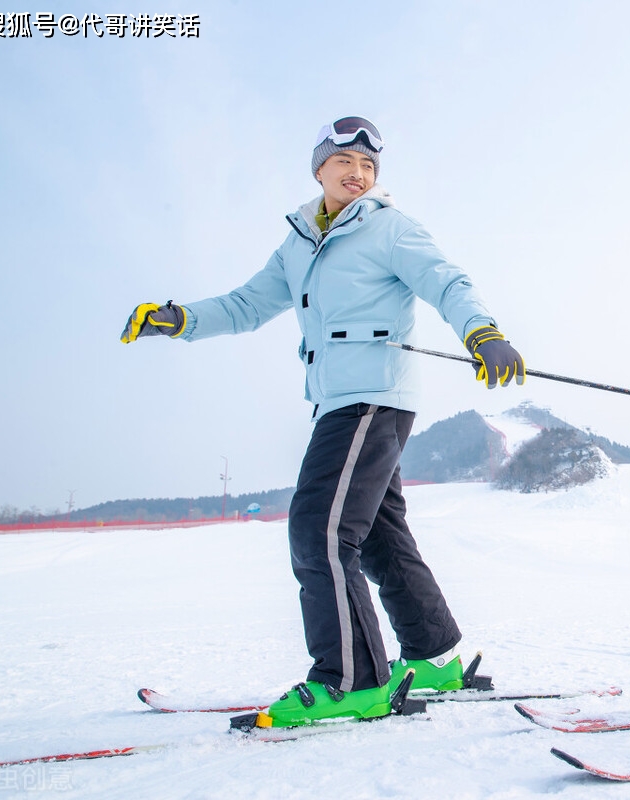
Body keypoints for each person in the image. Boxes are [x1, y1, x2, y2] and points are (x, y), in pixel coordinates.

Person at [120, 116, 526, 727]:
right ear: (319, 169)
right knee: (379, 535)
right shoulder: (299, 241)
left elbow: (446, 280)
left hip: (372, 396)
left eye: (368, 166)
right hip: (340, 400)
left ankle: (349, 681)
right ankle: (435, 656)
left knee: (320, 530)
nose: (357, 174)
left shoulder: (389, 228)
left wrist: (482, 331)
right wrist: (180, 319)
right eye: (345, 163)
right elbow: (247, 304)